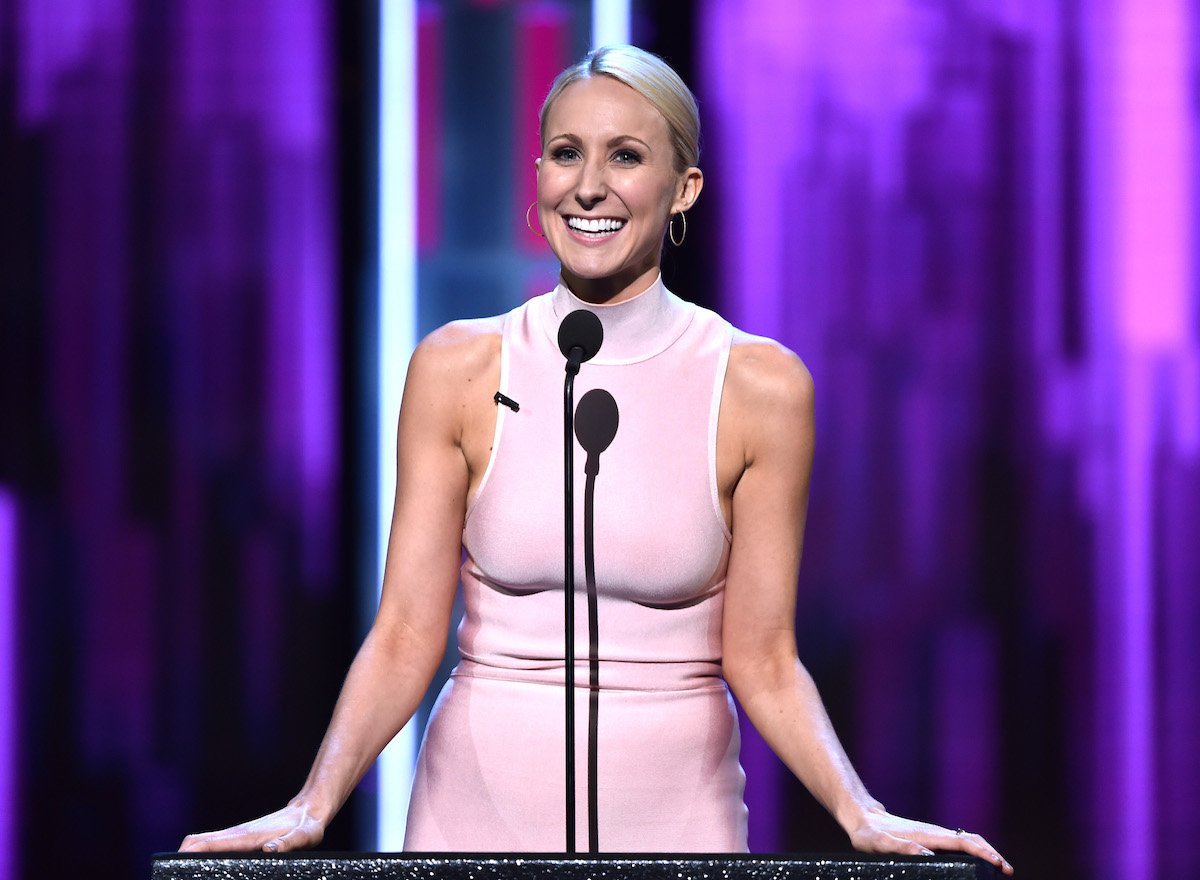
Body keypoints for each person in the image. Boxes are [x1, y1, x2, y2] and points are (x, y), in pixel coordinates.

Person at [180, 45, 1012, 873]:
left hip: (676, 824)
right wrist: (314, 802)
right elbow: (404, 633)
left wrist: (859, 811)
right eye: (568, 154)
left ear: (683, 189)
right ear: (537, 174)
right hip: (478, 817)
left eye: (626, 157)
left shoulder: (759, 387)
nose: (589, 187)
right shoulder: (457, 368)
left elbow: (763, 656)